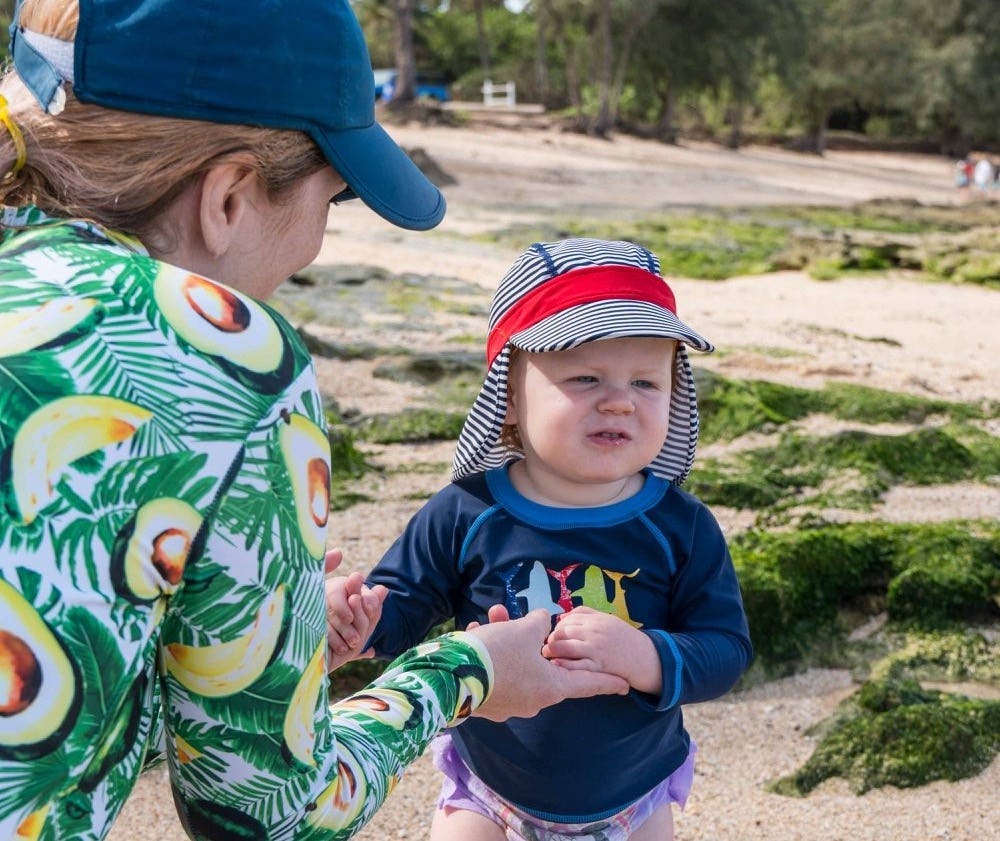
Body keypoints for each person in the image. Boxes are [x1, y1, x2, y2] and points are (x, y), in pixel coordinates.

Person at [0, 2, 629, 840]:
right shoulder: (223, 355)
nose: (317, 246)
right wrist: (462, 671)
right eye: (332, 197)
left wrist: (255, 654)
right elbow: (263, 815)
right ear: (226, 196)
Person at [357, 238, 754, 840]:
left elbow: (725, 650)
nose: (619, 400)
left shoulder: (681, 526)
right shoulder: (467, 512)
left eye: (647, 382)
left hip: (634, 793)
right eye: (586, 376)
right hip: (488, 789)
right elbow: (399, 609)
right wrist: (357, 619)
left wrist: (645, 657)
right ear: (509, 397)